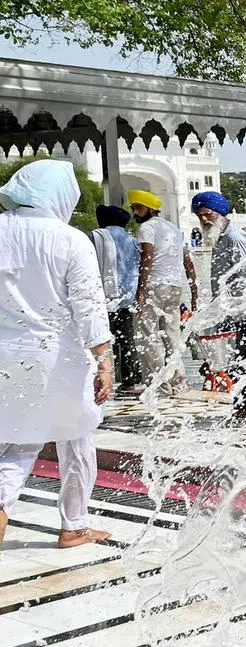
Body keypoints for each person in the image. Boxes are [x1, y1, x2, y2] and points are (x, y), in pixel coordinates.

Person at [0, 160, 114, 549]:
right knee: (77, 437)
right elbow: (89, 307)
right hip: (58, 358)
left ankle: (13, 507)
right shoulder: (69, 239)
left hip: (5, 355)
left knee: (15, 440)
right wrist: (104, 360)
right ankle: (73, 523)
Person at [191, 191, 246, 420]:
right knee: (240, 356)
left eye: (208, 214)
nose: (204, 220)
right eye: (200, 217)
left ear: (220, 213)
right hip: (234, 310)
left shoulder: (235, 238)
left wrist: (236, 307)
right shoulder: (221, 237)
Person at [130, 189, 197, 396]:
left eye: (137, 208)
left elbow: (146, 259)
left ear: (149, 209)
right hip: (174, 287)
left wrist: (141, 290)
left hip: (154, 285)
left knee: (149, 336)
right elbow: (186, 259)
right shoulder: (173, 228)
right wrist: (194, 289)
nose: (135, 212)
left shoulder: (147, 228)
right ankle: (179, 382)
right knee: (172, 335)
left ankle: (159, 385)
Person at [89, 204, 143, 393]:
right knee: (126, 339)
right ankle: (130, 381)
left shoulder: (96, 236)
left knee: (98, 338)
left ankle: (100, 380)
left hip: (103, 297)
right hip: (127, 297)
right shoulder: (131, 240)